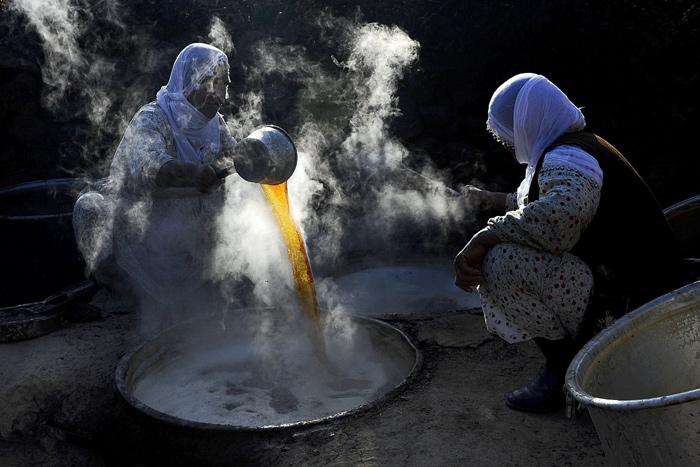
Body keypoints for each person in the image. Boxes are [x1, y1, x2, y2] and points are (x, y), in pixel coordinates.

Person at [455, 73, 687, 413]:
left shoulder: (568, 158)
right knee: (511, 246)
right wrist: (487, 199)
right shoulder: (574, 146)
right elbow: (541, 202)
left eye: (507, 128)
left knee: (499, 262)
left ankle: (566, 367)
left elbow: (558, 218)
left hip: (639, 302)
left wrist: (485, 236)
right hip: (638, 283)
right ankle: (572, 358)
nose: (505, 139)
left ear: (529, 121)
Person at [73, 43, 239, 309]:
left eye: (225, 85)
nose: (221, 95)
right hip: (144, 237)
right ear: (193, 81)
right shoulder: (154, 117)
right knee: (90, 207)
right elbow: (150, 166)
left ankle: (202, 283)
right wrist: (195, 174)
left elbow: (236, 157)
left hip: (192, 242)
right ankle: (122, 291)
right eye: (213, 83)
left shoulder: (215, 124)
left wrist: (255, 156)